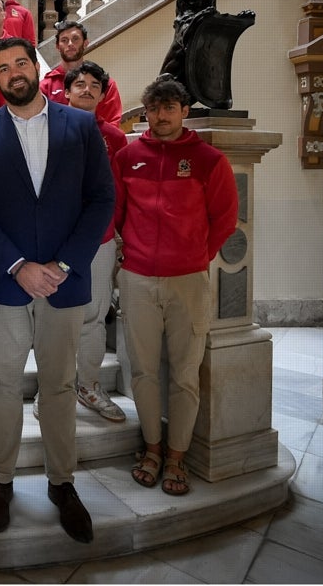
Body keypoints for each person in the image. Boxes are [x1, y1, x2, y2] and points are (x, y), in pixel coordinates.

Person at [0, 37, 114, 545]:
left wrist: (64, 263)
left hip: (66, 283)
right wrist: (19, 264)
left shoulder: (82, 126)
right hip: (8, 282)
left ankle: (62, 483)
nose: (14, 73)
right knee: (2, 383)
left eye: (21, 63)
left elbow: (100, 200)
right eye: (3, 68)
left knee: (60, 385)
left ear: (34, 67)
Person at [114, 78, 238, 496]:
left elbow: (223, 219)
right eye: (154, 108)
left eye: (169, 108)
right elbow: (117, 213)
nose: (161, 116)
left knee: (185, 375)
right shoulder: (129, 157)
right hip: (137, 279)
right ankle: (151, 449)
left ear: (185, 111)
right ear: (145, 112)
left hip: (188, 280)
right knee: (145, 371)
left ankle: (177, 458)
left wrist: (193, 259)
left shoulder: (209, 160)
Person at [61, 61, 129, 421]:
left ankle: (87, 385)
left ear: (103, 94)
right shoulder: (47, 127)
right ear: (66, 90)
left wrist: (118, 236)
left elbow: (119, 191)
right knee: (54, 317)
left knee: (95, 315)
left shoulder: (114, 139)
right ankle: (53, 390)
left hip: (100, 240)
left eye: (94, 86)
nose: (86, 90)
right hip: (57, 240)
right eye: (80, 84)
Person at [40, 20, 124, 127]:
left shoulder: (105, 84)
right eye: (64, 40)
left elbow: (112, 127)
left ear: (85, 43)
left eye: (75, 39)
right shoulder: (45, 86)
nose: (70, 44)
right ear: (57, 46)